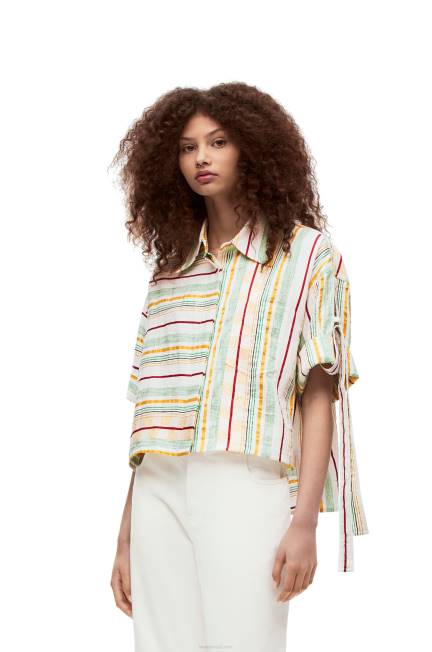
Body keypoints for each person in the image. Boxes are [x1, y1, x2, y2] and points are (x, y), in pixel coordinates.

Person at [109, 82, 369, 652]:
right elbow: (151, 414)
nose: (200, 158)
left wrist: (304, 522)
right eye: (187, 147)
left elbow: (318, 396)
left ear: (250, 148)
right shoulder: (171, 272)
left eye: (218, 142)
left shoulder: (308, 256)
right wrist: (126, 533)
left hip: (245, 483)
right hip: (158, 487)